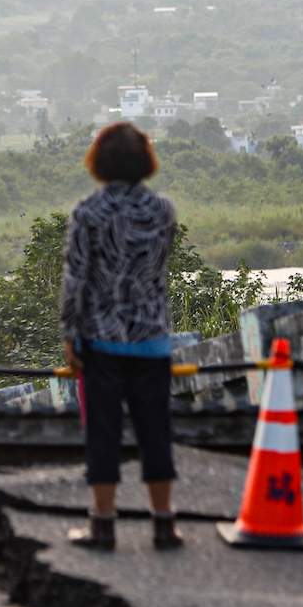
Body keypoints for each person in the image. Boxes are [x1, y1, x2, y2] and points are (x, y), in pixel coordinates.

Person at [60, 122, 182, 551]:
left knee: (104, 433)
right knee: (155, 431)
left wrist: (70, 333)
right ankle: (164, 524)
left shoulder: (87, 213)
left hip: (102, 340)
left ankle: (104, 525)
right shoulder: (163, 210)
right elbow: (158, 269)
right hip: (152, 338)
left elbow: (76, 280)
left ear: (99, 162)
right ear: (144, 162)